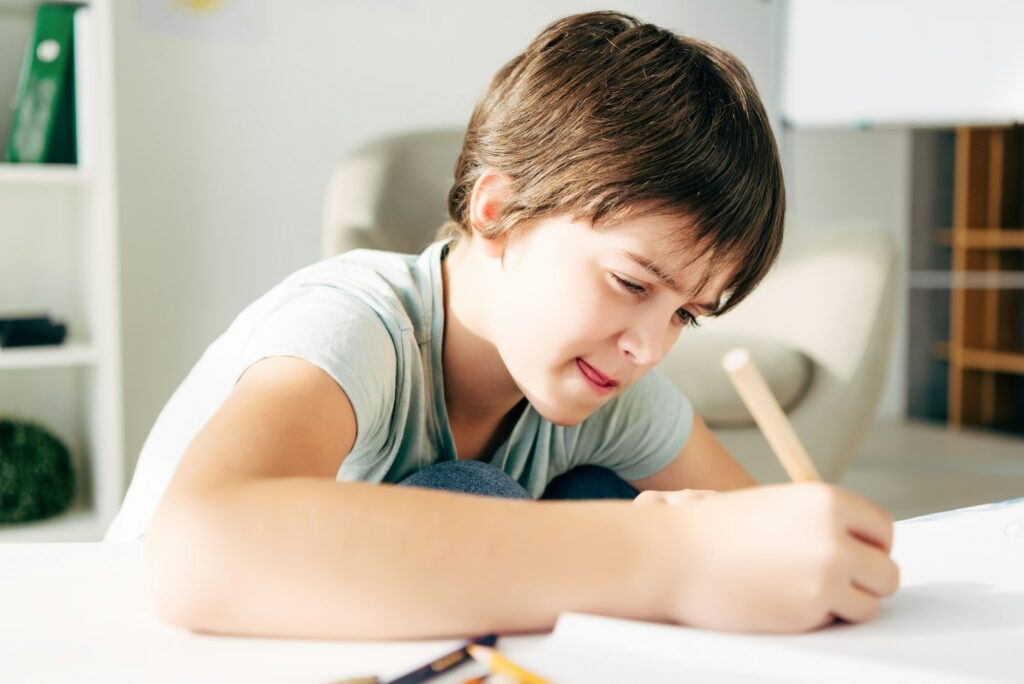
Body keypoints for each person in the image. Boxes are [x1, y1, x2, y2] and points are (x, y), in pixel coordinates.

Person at [115, 11, 899, 640]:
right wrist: (672, 557)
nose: (649, 347)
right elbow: (197, 552)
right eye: (630, 282)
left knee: (596, 496)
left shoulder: (608, 389)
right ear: (497, 213)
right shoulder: (355, 323)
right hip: (137, 642)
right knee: (477, 495)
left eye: (685, 317)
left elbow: (757, 535)